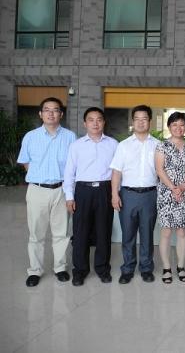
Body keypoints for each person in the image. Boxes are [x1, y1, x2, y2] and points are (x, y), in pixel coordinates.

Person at [17, 97, 76, 287]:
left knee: (61, 233)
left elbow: (73, 166)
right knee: (36, 234)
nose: (51, 113)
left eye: (55, 110)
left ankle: (60, 268)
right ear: (40, 114)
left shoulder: (70, 137)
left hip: (61, 190)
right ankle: (35, 270)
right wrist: (39, 179)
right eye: (47, 110)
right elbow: (26, 162)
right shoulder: (30, 137)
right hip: (37, 190)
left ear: (61, 114)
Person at [63, 107, 118, 286]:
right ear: (85, 123)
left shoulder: (113, 144)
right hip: (83, 191)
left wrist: (115, 193)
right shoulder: (76, 145)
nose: (95, 123)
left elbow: (118, 171)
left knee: (104, 231)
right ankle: (80, 270)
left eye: (99, 119)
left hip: (105, 190)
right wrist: (69, 196)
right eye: (91, 120)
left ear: (104, 122)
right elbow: (69, 173)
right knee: (81, 232)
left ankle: (102, 269)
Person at [110, 105, 160, 284]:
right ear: (133, 121)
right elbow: (116, 172)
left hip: (150, 195)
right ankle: (128, 268)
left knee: (147, 234)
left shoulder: (158, 145)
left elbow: (162, 172)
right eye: (137, 119)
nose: (140, 122)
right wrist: (114, 195)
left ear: (149, 121)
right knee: (128, 235)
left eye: (144, 119)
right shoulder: (123, 145)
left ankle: (146, 268)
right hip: (127, 195)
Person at [155, 112, 185, 284]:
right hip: (166, 193)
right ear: (169, 126)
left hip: (184, 193)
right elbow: (159, 169)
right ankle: (166, 268)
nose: (178, 128)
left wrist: (183, 186)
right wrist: (173, 188)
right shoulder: (162, 146)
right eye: (174, 124)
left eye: (182, 124)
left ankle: (180, 266)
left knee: (182, 231)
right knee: (166, 232)